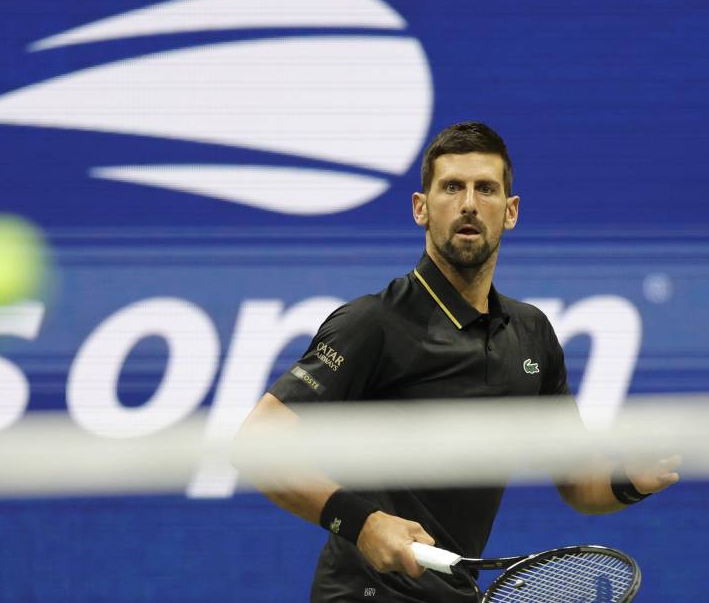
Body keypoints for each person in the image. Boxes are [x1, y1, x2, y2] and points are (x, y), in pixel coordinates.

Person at [235, 122, 681, 602]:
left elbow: (577, 481)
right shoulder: (372, 322)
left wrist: (630, 480)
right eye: (452, 187)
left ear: (510, 212)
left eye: (485, 189)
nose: (469, 203)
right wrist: (362, 523)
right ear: (420, 208)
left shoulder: (532, 335)